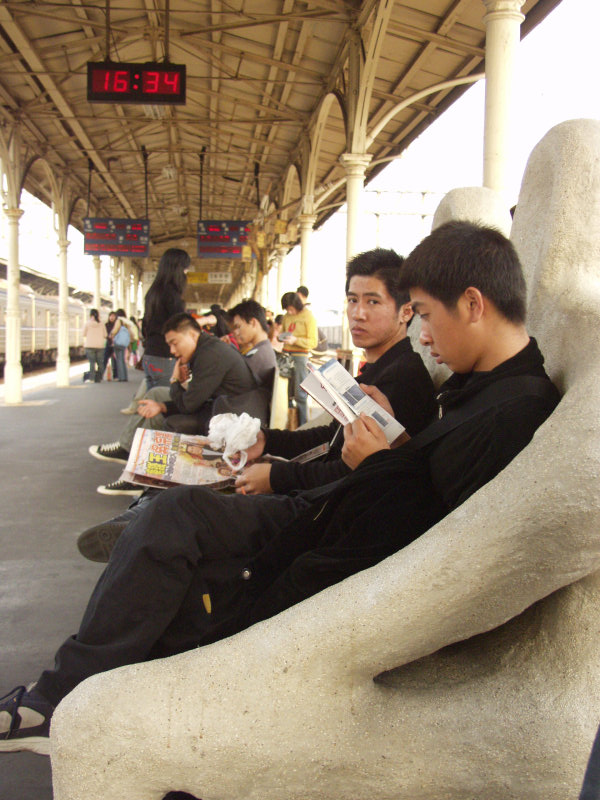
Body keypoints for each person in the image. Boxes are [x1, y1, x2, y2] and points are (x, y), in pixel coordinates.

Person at [0, 222, 561, 756]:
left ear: (472, 304)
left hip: (327, 557)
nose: (425, 335)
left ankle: (67, 701)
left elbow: (429, 553)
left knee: (171, 541)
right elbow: (420, 492)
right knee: (170, 519)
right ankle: (65, 694)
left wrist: (378, 463)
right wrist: (395, 450)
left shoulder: (513, 414)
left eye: (427, 316)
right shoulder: (479, 392)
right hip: (322, 521)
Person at [76, 248, 436, 562]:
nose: (357, 313)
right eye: (352, 300)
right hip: (316, 496)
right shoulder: (381, 369)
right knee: (178, 481)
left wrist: (276, 476)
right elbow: (333, 439)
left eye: (372, 301)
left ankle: (139, 528)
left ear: (406, 312)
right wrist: (268, 441)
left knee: (184, 503)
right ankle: (134, 523)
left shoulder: (400, 381)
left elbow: (357, 471)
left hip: (321, 513)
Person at [89, 312, 260, 495]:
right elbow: (193, 397)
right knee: (155, 395)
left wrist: (174, 381)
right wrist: (171, 395)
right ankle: (129, 452)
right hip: (219, 407)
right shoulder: (205, 349)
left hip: (230, 416)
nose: (171, 350)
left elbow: (189, 405)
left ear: (193, 335)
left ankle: (141, 474)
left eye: (174, 343)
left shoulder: (211, 355)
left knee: (161, 413)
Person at [141, 248, 189, 388]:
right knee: (164, 399)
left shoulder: (152, 292)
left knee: (152, 400)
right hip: (164, 356)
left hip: (150, 354)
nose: (186, 273)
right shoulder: (172, 294)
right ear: (178, 268)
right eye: (185, 269)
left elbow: (145, 324)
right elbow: (181, 326)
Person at [280, 291, 318, 425]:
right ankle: (287, 423)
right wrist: (283, 337)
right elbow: (282, 332)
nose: (289, 312)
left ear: (296, 305)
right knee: (284, 392)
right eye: (286, 309)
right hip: (286, 356)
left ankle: (303, 425)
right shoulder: (286, 317)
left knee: (300, 393)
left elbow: (313, 342)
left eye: (290, 309)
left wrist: (296, 340)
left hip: (301, 357)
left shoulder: (308, 316)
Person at [82, 308, 105, 383]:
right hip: (100, 346)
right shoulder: (101, 324)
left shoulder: (87, 323)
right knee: (100, 363)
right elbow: (105, 335)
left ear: (90, 315)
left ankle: (92, 378)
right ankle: (100, 377)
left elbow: (83, 334)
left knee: (92, 362)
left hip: (89, 346)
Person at [111, 309, 131, 382]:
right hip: (124, 343)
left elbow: (115, 330)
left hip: (118, 342)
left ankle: (121, 377)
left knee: (119, 360)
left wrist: (111, 334)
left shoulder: (119, 321)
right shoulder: (127, 322)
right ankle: (125, 376)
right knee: (122, 360)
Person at [102, 310, 117, 380]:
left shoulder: (117, 325)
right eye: (111, 316)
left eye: (113, 316)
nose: (112, 317)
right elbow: (104, 334)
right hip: (108, 344)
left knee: (115, 361)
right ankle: (101, 374)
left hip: (115, 344)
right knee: (105, 359)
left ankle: (116, 375)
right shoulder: (106, 325)